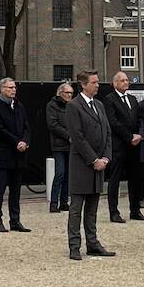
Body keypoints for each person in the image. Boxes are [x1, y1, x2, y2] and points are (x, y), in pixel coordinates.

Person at [65, 71, 115, 259]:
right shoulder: (73, 106)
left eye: (97, 82)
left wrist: (106, 158)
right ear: (83, 85)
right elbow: (77, 137)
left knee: (92, 209)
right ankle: (74, 246)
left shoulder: (99, 105)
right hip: (82, 165)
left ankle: (93, 243)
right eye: (93, 82)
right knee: (76, 208)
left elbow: (107, 133)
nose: (97, 85)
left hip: (99, 165)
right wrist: (93, 160)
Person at [0, 77, 32, 233]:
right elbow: (0, 130)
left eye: (14, 87)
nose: (13, 90)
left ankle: (15, 220)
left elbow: (27, 126)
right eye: (9, 87)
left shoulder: (19, 106)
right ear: (2, 89)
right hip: (2, 155)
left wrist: (25, 141)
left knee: (16, 190)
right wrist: (16, 142)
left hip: (18, 156)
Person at [104, 71, 144, 223]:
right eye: (122, 80)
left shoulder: (132, 99)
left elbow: (140, 119)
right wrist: (129, 137)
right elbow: (113, 122)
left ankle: (135, 210)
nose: (126, 82)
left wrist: (140, 135)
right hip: (119, 145)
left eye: (127, 80)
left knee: (136, 178)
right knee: (115, 179)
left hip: (134, 146)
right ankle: (114, 212)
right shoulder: (109, 99)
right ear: (115, 83)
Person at [45, 80, 74, 212]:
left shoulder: (72, 106)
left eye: (71, 93)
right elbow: (53, 125)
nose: (70, 95)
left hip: (71, 145)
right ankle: (53, 203)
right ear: (60, 93)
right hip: (59, 145)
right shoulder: (52, 105)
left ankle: (64, 202)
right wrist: (68, 135)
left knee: (68, 174)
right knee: (60, 173)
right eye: (67, 92)